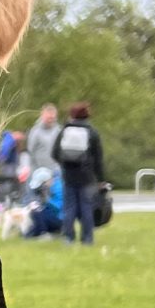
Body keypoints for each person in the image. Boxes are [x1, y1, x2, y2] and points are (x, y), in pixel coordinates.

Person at [54, 101, 105, 246]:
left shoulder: (64, 131)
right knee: (86, 208)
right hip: (87, 177)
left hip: (68, 176)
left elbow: (55, 153)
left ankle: (68, 238)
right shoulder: (92, 132)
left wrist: (65, 165)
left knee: (69, 208)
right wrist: (100, 179)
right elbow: (98, 158)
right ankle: (87, 239)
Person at [24, 103, 61, 180]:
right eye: (48, 117)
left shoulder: (58, 130)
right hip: (38, 172)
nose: (50, 120)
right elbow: (30, 152)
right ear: (42, 116)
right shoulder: (35, 131)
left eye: (52, 118)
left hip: (55, 172)